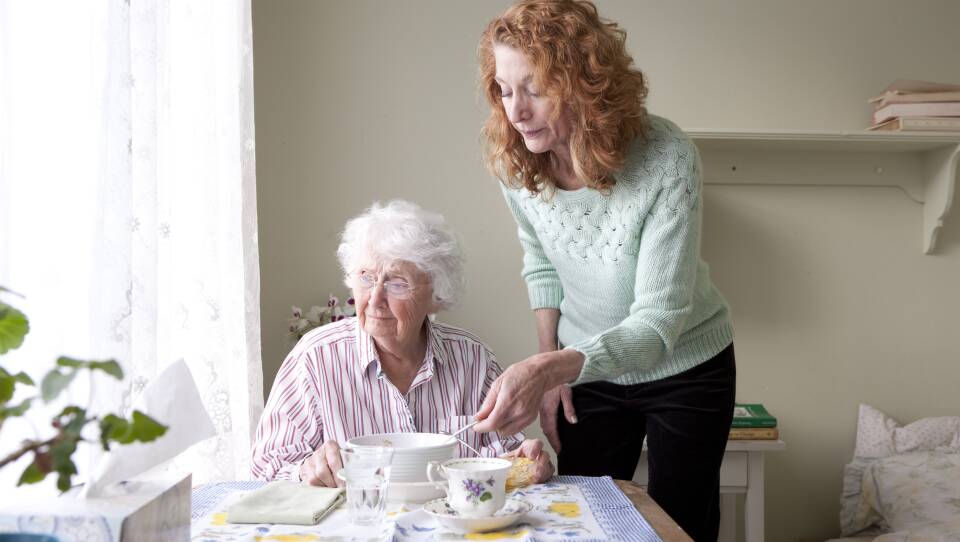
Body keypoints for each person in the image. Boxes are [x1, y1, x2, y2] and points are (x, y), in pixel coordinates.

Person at [472, 1, 736, 540]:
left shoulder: (666, 156)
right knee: (583, 519)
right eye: (503, 88)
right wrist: (552, 367)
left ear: (586, 84)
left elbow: (659, 322)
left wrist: (550, 369)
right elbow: (541, 260)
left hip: (687, 365)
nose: (515, 111)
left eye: (535, 88)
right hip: (585, 369)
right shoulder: (516, 163)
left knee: (680, 526)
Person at [252, 199, 553, 488]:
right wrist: (306, 470)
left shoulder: (473, 359)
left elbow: (501, 458)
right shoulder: (314, 359)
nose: (375, 299)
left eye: (397, 283)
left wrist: (525, 463)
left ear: (436, 295)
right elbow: (266, 466)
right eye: (366, 278)